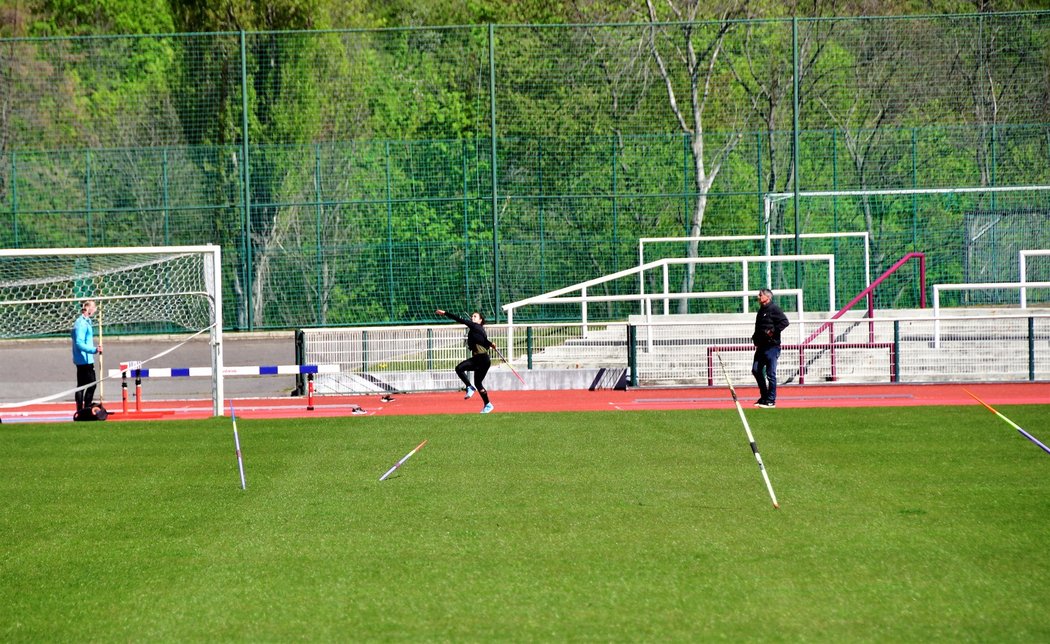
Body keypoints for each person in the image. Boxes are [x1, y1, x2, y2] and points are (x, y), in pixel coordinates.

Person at [436, 309, 495, 414]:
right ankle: (488, 404)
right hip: (482, 360)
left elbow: (459, 319)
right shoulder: (479, 330)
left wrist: (445, 313)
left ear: (480, 320)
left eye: (475, 316)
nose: (472, 318)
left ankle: (469, 387)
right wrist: (491, 344)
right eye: (472, 316)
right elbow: (484, 342)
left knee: (459, 368)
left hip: (482, 359)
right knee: (478, 383)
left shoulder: (475, 326)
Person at [751, 288, 789, 409]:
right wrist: (755, 338)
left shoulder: (774, 309)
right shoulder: (761, 311)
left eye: (760, 295)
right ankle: (764, 397)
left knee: (770, 374)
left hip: (772, 347)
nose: (758, 297)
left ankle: (771, 400)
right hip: (761, 347)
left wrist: (772, 332)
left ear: (767, 297)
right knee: (756, 370)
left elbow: (784, 322)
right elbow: (758, 327)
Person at [72, 299, 103, 414]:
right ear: (87, 308)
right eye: (94, 307)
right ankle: (84, 408)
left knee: (84, 384)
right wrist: (94, 350)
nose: (95, 309)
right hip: (83, 359)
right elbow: (79, 343)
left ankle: (82, 409)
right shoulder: (80, 323)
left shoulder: (87, 321)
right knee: (90, 384)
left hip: (86, 358)